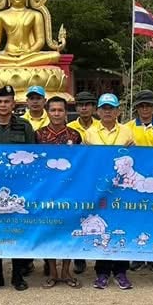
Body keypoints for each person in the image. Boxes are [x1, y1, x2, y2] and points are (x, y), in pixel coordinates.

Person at [0, 85, 36, 291]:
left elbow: (32, 157)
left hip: (18, 186)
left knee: (17, 229)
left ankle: (17, 275)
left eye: (7, 101)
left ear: (14, 104)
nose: (3, 105)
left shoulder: (25, 126)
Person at [83, 93, 136, 289]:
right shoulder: (89, 133)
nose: (107, 112)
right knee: (102, 226)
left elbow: (135, 158)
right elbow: (85, 160)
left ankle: (121, 271)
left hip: (121, 189)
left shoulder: (127, 131)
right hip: (99, 188)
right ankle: (102, 271)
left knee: (121, 225)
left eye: (111, 108)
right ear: (98, 111)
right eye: (104, 108)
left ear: (118, 111)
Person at [35, 96, 83, 288]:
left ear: (66, 112)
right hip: (46, 190)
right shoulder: (38, 135)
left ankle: (66, 271)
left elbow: (82, 161)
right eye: (53, 110)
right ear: (47, 112)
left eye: (60, 110)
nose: (56, 113)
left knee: (69, 228)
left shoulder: (75, 135)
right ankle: (53, 272)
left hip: (69, 189)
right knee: (48, 229)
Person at [124, 89, 153, 273]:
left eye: (148, 105)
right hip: (136, 182)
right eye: (142, 106)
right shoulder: (127, 128)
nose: (145, 109)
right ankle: (137, 255)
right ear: (137, 108)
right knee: (135, 217)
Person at [65, 90, 98, 275]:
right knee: (77, 216)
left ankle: (101, 257)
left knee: (98, 214)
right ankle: (79, 258)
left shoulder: (102, 126)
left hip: (97, 178)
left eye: (87, 105)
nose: (84, 108)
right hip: (76, 179)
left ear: (94, 108)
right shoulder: (69, 128)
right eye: (80, 105)